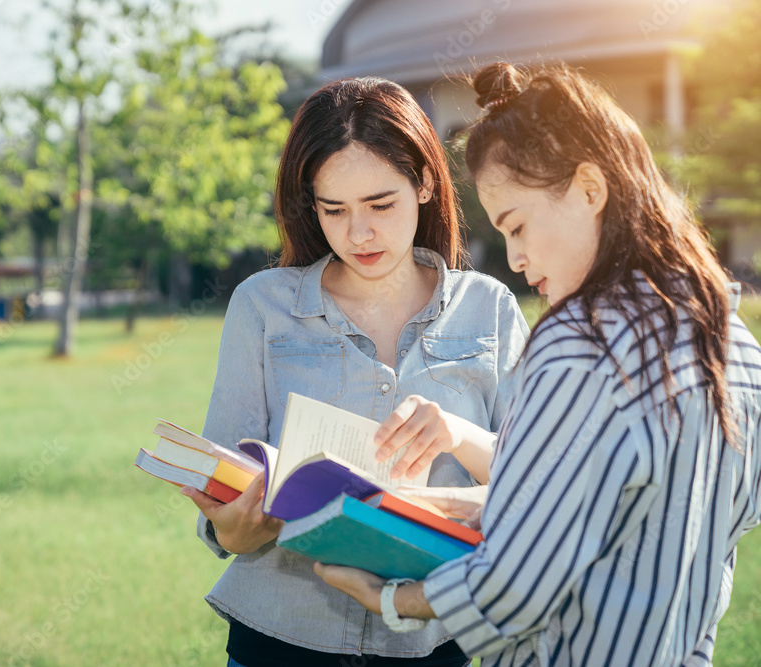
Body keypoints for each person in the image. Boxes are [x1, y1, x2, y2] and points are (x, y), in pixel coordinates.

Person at [315, 62, 761, 667]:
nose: (518, 260)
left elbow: (519, 582)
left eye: (517, 226)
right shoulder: (734, 342)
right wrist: (458, 504)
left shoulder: (580, 342)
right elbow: (674, 510)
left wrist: (396, 599)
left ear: (589, 188)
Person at [182, 76, 530, 667]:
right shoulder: (262, 305)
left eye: (380, 204)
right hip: (280, 639)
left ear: (423, 184)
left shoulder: (488, 307)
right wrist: (233, 528)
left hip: (434, 638)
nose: (359, 233)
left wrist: (457, 437)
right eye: (334, 209)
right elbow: (226, 489)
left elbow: (537, 480)